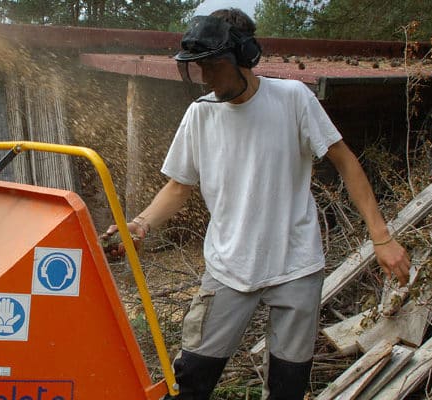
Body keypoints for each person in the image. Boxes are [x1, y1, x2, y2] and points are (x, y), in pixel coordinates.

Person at [102, 8, 411, 400]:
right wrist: (140, 224)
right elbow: (179, 186)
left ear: (244, 57)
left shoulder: (293, 98)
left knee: (287, 386)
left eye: (213, 67)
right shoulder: (200, 115)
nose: (206, 78)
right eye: (199, 68)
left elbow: (345, 160)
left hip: (295, 267)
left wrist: (381, 237)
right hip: (228, 267)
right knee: (192, 380)